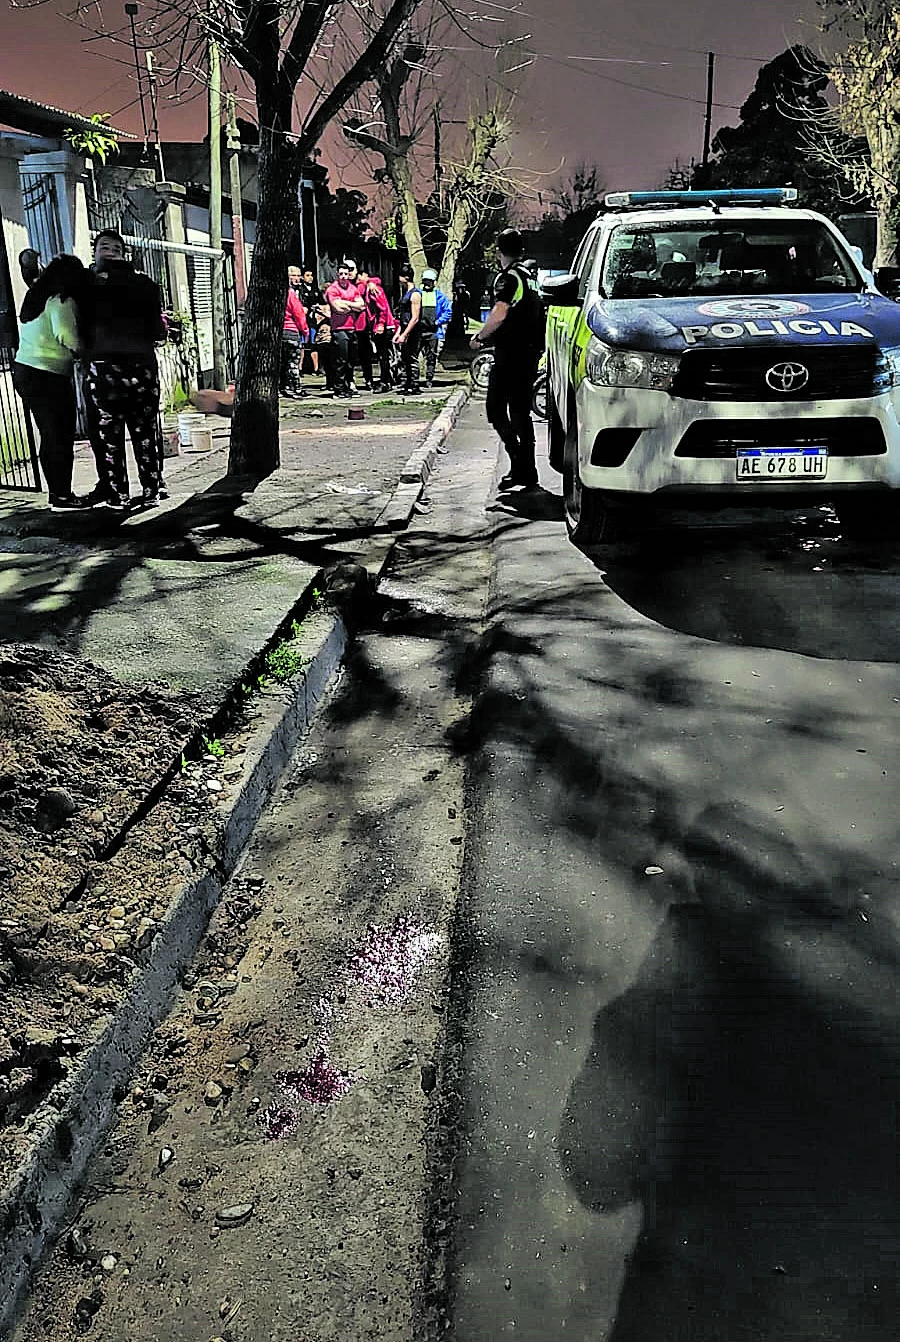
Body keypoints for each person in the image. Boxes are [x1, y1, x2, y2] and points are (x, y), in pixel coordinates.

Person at [81, 229, 168, 511]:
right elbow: (158, 331)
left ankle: (117, 495)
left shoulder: (84, 287)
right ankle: (152, 488)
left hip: (103, 370)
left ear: (97, 255)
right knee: (145, 431)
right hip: (141, 367)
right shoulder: (145, 285)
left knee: (109, 436)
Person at [12, 254, 89, 512]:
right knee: (59, 435)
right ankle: (62, 495)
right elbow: (67, 336)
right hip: (47, 374)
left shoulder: (37, 295)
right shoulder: (60, 301)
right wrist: (84, 351)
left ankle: (58, 493)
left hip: (26, 370)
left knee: (50, 433)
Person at [471, 227, 546, 490]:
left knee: (496, 410)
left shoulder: (508, 278)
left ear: (499, 251)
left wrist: (480, 337)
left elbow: (499, 313)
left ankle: (519, 463)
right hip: (529, 354)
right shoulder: (530, 276)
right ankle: (527, 471)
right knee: (520, 414)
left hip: (511, 355)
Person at [324, 262, 365, 397]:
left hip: (351, 328)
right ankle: (338, 388)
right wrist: (352, 305)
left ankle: (348, 386)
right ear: (337, 274)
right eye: (341, 274)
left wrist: (346, 303)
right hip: (339, 329)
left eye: (346, 274)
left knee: (350, 360)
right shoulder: (332, 289)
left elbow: (361, 306)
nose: (343, 276)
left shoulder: (353, 288)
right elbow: (338, 308)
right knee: (340, 360)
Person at [359, 273, 396, 391]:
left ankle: (385, 382)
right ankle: (387, 380)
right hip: (375, 325)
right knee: (383, 355)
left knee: (383, 355)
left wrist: (380, 323)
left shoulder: (374, 289)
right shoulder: (368, 287)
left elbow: (383, 308)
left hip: (382, 326)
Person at [419, 268, 452, 388]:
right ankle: (412, 379)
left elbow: (448, 312)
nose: (427, 284)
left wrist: (438, 321)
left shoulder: (440, 297)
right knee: (413, 356)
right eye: (425, 281)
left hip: (433, 331)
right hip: (419, 331)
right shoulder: (418, 294)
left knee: (431, 356)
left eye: (429, 281)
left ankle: (429, 378)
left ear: (434, 282)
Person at [393, 263, 423, 394]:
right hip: (404, 327)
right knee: (405, 357)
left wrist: (405, 334)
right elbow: (403, 316)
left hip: (413, 331)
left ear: (405, 277)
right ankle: (407, 382)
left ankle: (414, 384)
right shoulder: (405, 293)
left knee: (412, 357)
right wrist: (398, 332)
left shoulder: (415, 294)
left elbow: (414, 317)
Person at [281, 266, 309, 399]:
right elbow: (299, 314)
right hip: (291, 331)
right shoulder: (290, 295)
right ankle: (295, 388)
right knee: (293, 362)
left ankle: (283, 387)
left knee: (281, 362)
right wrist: (305, 331)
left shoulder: (275, 296)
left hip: (278, 333)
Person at [354, 268, 378, 391]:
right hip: (355, 325)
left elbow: (376, 280)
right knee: (359, 356)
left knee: (364, 355)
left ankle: (368, 379)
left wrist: (369, 282)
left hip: (363, 326)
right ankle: (367, 379)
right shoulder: (357, 287)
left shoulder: (363, 286)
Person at [298, 265, 322, 375]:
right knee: (302, 345)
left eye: (311, 275)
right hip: (303, 320)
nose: (310, 278)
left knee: (314, 344)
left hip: (313, 320)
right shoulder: (300, 290)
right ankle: (300, 368)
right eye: (307, 275)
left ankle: (316, 368)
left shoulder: (315, 290)